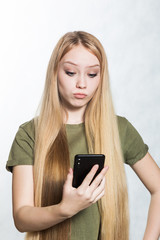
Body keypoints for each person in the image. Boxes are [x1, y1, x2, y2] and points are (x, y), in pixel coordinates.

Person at [6, 31, 160, 240]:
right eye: (71, 72)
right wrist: (65, 209)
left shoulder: (119, 129)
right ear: (55, 73)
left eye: (92, 74)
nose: (82, 84)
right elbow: (21, 217)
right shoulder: (29, 134)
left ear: (101, 77)